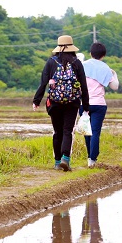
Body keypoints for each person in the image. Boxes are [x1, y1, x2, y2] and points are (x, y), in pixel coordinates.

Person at [32, 35, 90, 171]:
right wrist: (86, 106)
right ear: (72, 48)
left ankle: (57, 162)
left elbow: (43, 83)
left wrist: (36, 101)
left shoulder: (51, 62)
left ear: (58, 48)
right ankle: (66, 158)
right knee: (67, 131)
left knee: (57, 132)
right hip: (72, 103)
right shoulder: (77, 63)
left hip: (54, 103)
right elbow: (84, 86)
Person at [81, 42, 119, 168]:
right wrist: (115, 75)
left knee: (87, 131)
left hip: (84, 104)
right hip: (99, 104)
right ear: (103, 55)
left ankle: (89, 157)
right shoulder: (105, 68)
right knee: (95, 132)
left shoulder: (82, 65)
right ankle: (92, 159)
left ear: (90, 53)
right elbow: (115, 87)